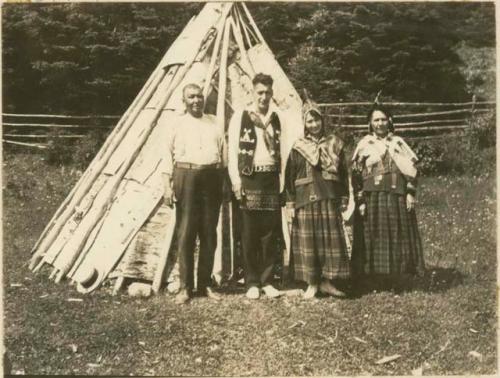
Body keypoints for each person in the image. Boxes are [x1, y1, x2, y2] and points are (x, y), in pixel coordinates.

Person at [351, 104, 425, 290]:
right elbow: (356, 176)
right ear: (370, 123)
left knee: (398, 234)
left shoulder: (398, 143)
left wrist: (410, 193)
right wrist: (360, 201)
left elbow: (413, 171)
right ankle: (374, 279)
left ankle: (397, 277)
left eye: (383, 119)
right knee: (373, 235)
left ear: (389, 121)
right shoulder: (364, 144)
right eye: (376, 120)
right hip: (372, 198)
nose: (380, 123)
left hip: (396, 196)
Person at [163, 83, 224, 304]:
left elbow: (222, 153)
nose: (197, 100)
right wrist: (166, 186)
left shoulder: (214, 122)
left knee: (209, 232)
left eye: (199, 96)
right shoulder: (176, 124)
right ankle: (185, 287)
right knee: (186, 232)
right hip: (185, 176)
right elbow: (165, 155)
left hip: (211, 177)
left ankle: (205, 284)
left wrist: (222, 181)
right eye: (192, 97)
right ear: (184, 100)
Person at [284, 99, 350, 299]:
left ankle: (327, 282)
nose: (314, 125)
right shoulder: (298, 147)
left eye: (317, 120)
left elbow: (343, 172)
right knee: (309, 242)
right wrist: (290, 203)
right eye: (309, 121)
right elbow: (289, 176)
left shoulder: (335, 144)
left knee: (328, 241)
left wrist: (344, 196)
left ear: (323, 121)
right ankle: (312, 283)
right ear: (304, 124)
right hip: (306, 200)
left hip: (329, 197)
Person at [228, 73, 283, 299]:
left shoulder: (277, 118)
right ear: (253, 92)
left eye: (267, 92)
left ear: (272, 93)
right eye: (260, 92)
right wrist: (236, 180)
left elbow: (285, 149)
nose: (263, 96)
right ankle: (251, 281)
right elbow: (231, 151)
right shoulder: (241, 117)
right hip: (249, 177)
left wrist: (282, 180)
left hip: (270, 178)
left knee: (269, 232)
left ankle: (267, 280)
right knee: (249, 232)